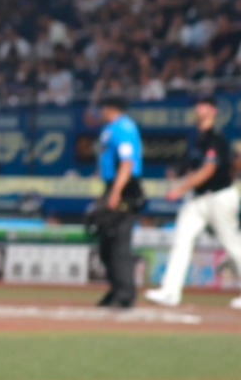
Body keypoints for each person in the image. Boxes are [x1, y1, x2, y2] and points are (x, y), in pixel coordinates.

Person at [144, 94, 241, 309]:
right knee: (181, 240)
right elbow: (191, 165)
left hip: (220, 196)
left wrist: (181, 188)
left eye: (205, 105)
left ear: (214, 110)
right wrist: (177, 174)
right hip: (199, 199)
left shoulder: (217, 137)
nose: (200, 109)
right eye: (199, 105)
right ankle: (170, 291)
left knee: (233, 244)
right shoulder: (197, 137)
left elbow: (210, 169)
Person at [93, 95, 145, 308]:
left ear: (110, 108)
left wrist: (116, 193)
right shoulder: (111, 129)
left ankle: (125, 294)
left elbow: (127, 163)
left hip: (125, 188)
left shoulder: (124, 128)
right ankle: (116, 288)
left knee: (120, 244)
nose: (101, 112)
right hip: (113, 186)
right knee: (107, 243)